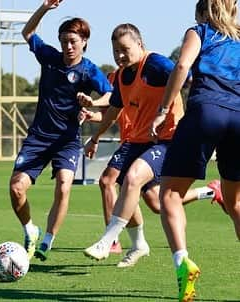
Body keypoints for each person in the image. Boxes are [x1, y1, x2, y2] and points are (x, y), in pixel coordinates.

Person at [150, 0, 240, 300]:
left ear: (203, 13)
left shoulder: (200, 30)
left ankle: (182, 263)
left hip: (207, 111)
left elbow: (182, 66)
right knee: (235, 203)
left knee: (170, 195)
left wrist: (164, 109)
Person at [9, 0, 113, 262]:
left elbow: (111, 96)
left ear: (84, 42)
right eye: (64, 41)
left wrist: (93, 103)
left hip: (67, 140)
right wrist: (44, 8)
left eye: (73, 41)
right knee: (16, 189)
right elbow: (28, 34)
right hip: (38, 138)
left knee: (64, 186)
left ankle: (47, 241)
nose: (68, 46)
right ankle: (30, 230)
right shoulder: (51, 58)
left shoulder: (89, 71)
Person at [81, 23, 186, 265]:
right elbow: (114, 111)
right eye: (115, 50)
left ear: (139, 45)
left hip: (167, 139)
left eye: (124, 49)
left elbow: (185, 76)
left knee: (136, 181)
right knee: (112, 181)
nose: (119, 56)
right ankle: (138, 244)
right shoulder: (120, 76)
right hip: (137, 140)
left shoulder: (156, 64)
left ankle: (108, 240)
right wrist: (95, 137)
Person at [80, 101, 223, 268]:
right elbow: (113, 109)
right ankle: (210, 191)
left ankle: (110, 240)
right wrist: (95, 117)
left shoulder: (157, 75)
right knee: (154, 202)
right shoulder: (118, 79)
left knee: (119, 180)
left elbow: (174, 84)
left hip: (155, 141)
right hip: (132, 140)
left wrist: (95, 102)